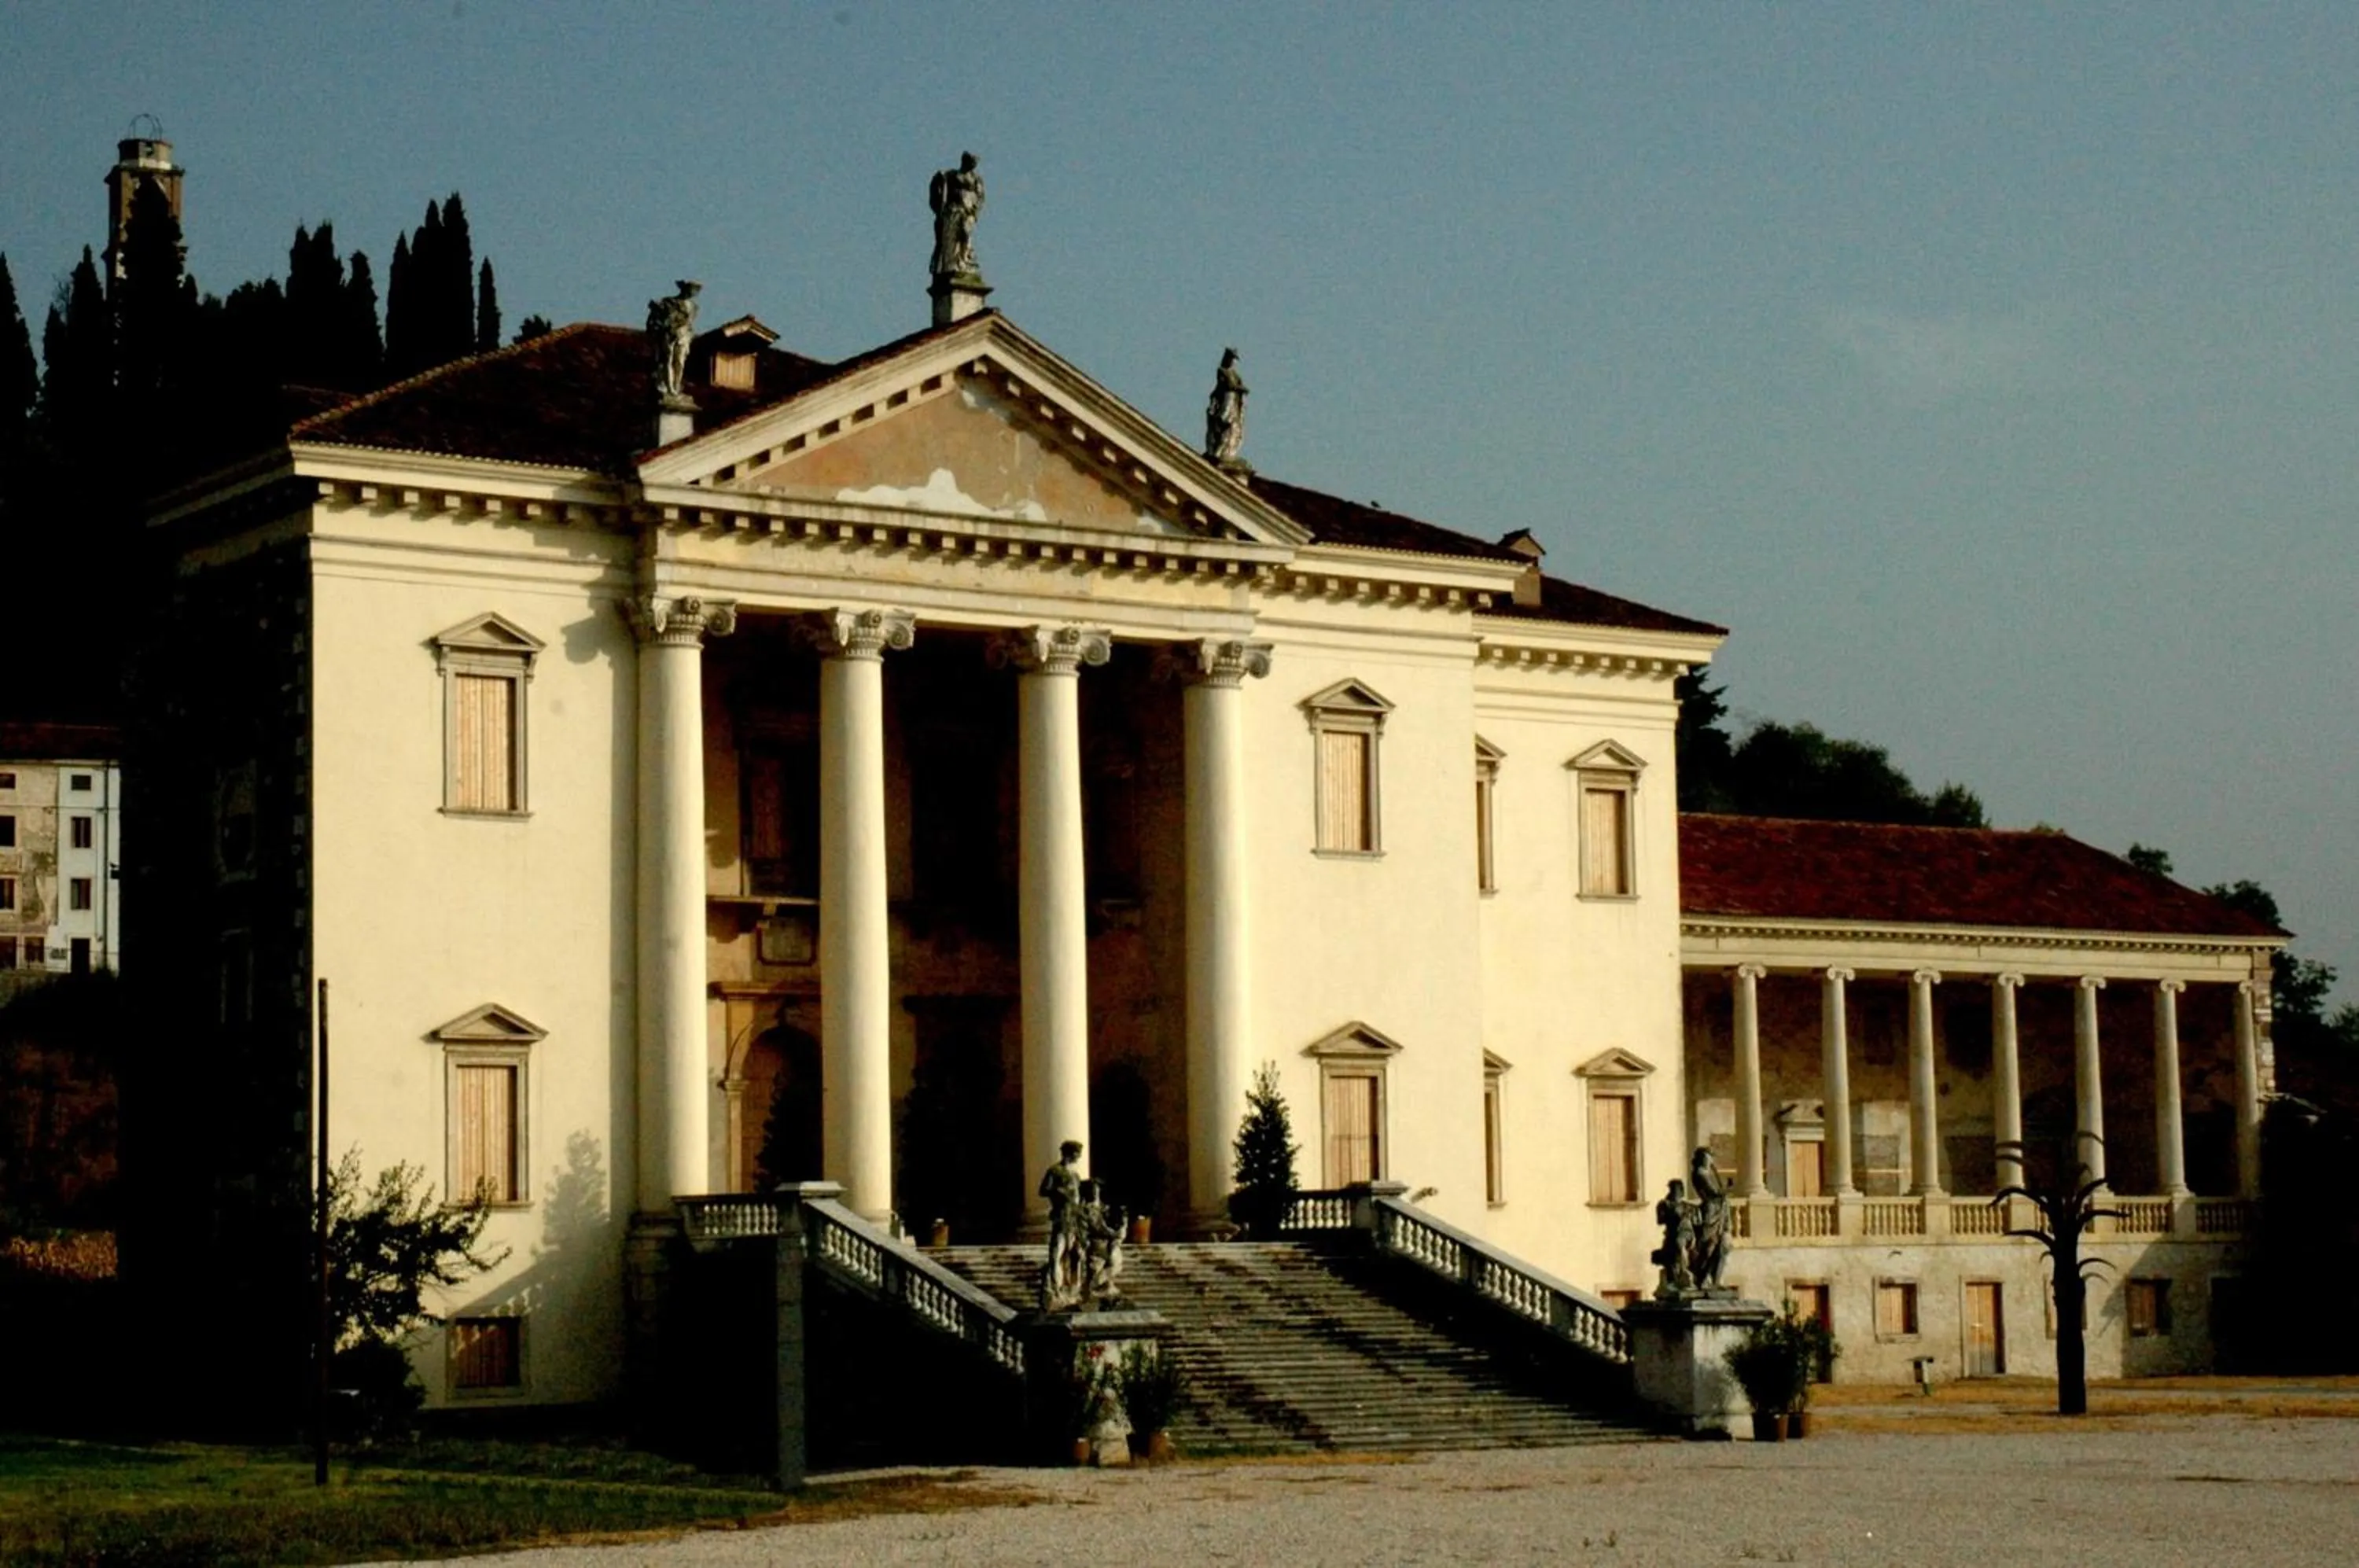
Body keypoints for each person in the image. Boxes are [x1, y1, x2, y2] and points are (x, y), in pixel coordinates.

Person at [1037, 1139, 1085, 1310]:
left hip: (1075, 1220)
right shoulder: (1055, 1171)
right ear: (1070, 1153)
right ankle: (1055, 1288)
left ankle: (1073, 1289)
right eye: (1077, 1153)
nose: (1079, 1157)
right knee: (1058, 1253)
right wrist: (1060, 1192)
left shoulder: (1075, 1175)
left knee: (1077, 1256)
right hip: (1061, 1218)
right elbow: (1043, 1190)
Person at [929, 152, 985, 279]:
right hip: (954, 210)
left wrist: (975, 210)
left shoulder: (976, 179)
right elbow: (938, 186)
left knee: (966, 233)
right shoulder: (952, 175)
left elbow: (981, 197)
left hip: (968, 211)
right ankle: (954, 262)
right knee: (952, 238)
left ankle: (965, 258)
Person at [1688, 1147, 1730, 1291]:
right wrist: (1726, 1190)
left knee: (1720, 1246)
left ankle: (1713, 1279)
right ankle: (1701, 1276)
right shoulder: (1700, 1174)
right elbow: (1714, 1193)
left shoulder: (1706, 1173)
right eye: (1708, 1157)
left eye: (1711, 1157)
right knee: (1708, 1245)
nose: (1711, 1160)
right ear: (1702, 1158)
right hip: (1710, 1212)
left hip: (1717, 1212)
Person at [1651, 1178, 1695, 1297]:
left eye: (1677, 1190)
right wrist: (1671, 1214)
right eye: (1673, 1189)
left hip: (1688, 1234)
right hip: (1673, 1235)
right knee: (1676, 1246)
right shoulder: (1665, 1204)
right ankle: (1681, 1274)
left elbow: (1695, 1221)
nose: (1675, 1192)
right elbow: (1660, 1221)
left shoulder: (1686, 1206)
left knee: (1681, 1244)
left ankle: (1686, 1272)